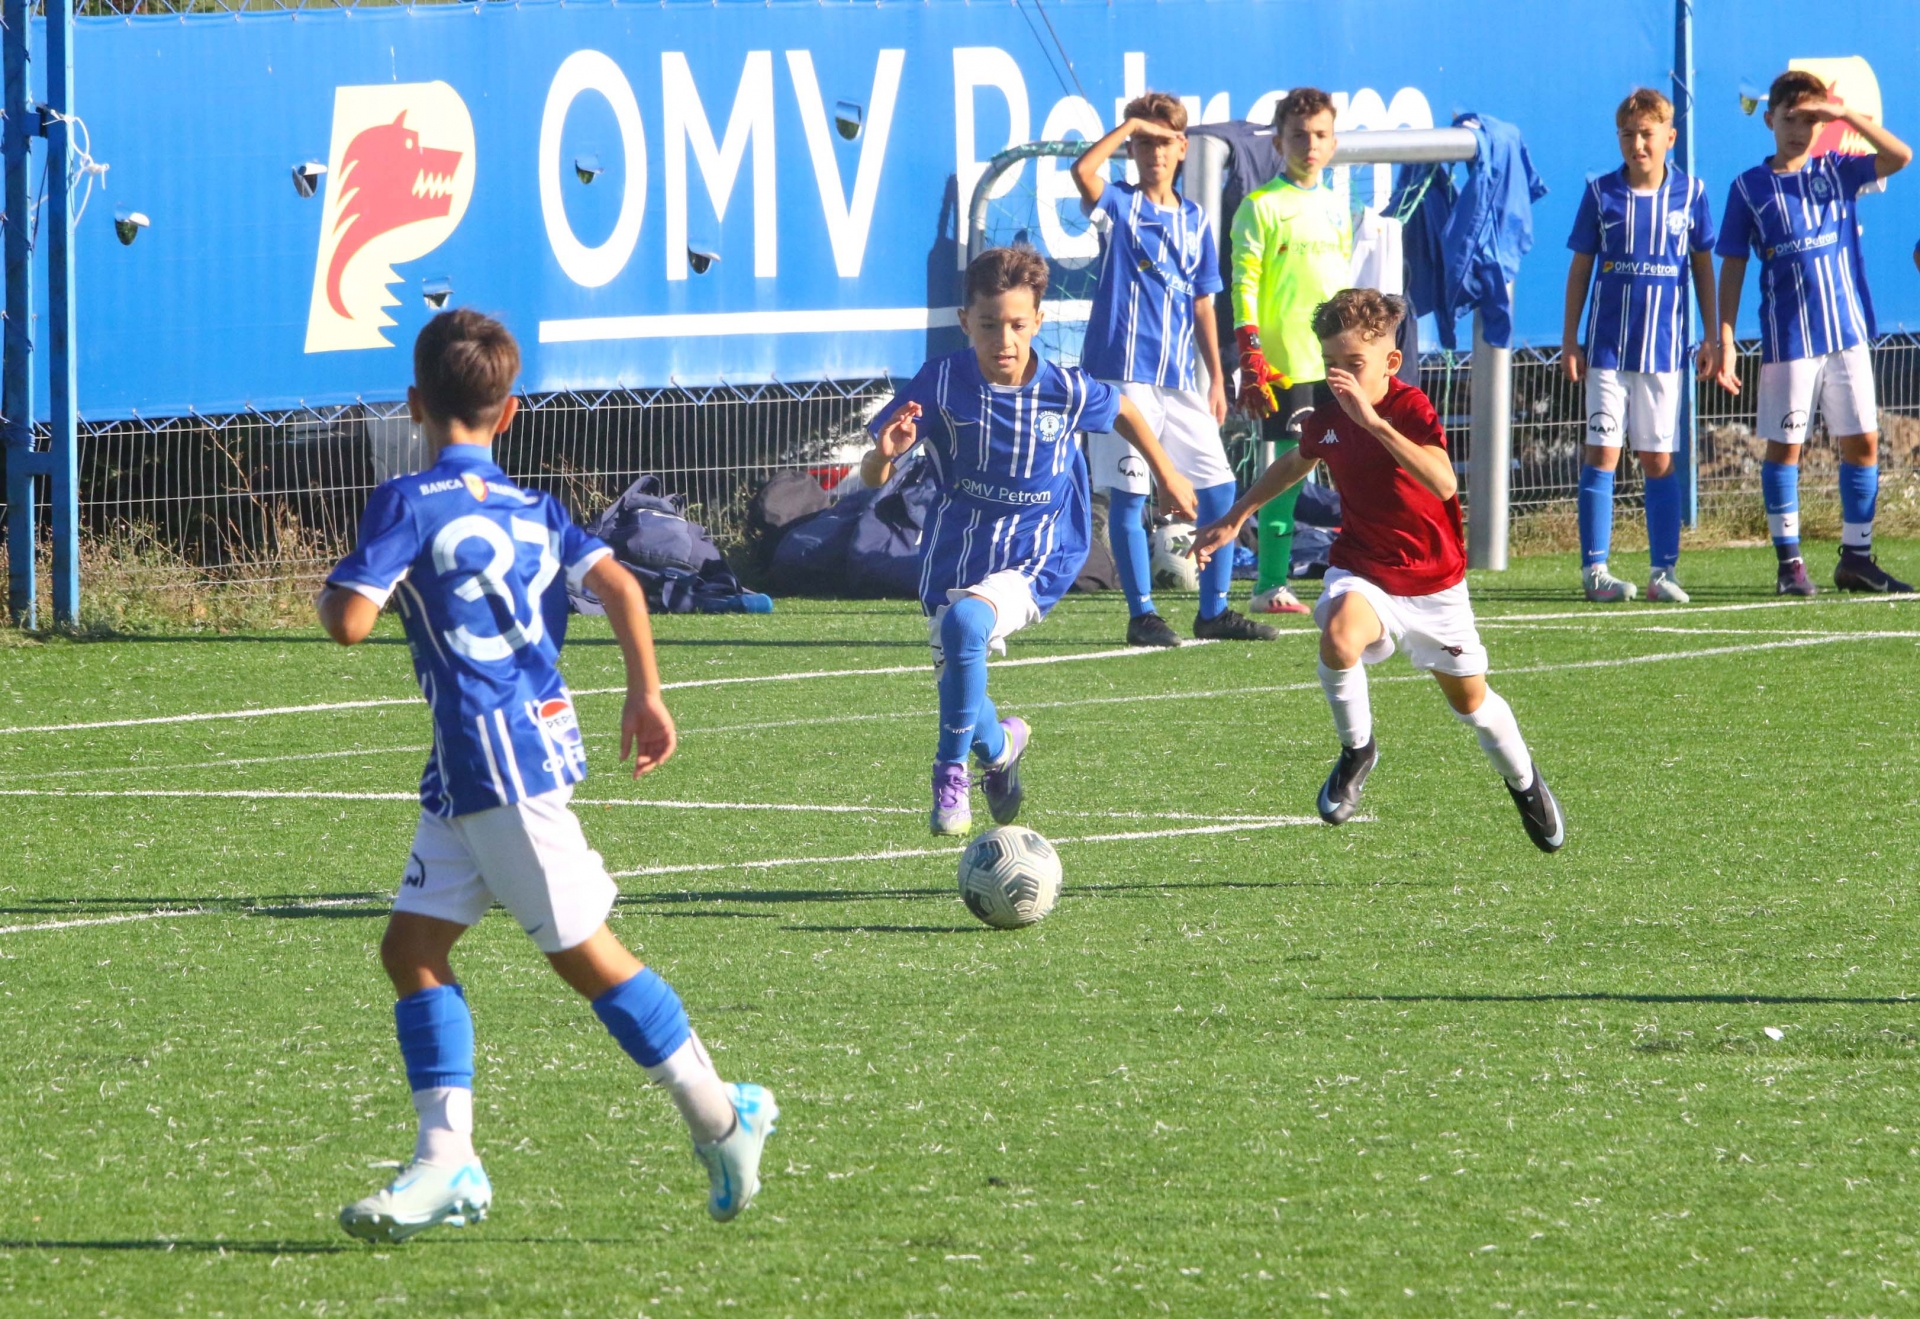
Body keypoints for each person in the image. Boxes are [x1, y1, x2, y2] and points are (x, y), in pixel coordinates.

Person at [316, 310, 776, 1242]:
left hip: (496, 761)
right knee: (411, 949)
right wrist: (646, 693)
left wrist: (347, 583)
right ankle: (447, 1159)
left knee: (586, 957)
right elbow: (622, 585)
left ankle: (721, 1114)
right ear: (511, 410)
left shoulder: (407, 500)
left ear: (414, 404)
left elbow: (348, 622)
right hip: (490, 758)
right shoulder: (537, 507)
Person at [1190, 289, 1565, 852]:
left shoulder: (1410, 409)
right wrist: (1233, 516)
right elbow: (1296, 461)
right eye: (1331, 363)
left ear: (1390, 362)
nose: (1340, 376)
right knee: (1339, 637)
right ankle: (1358, 750)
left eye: (1354, 363)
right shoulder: (1327, 417)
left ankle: (1524, 781)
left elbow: (1444, 483)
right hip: (1363, 568)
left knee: (1473, 707)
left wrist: (1374, 425)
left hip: (1434, 584)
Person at [862, 246, 1197, 836]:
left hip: (1039, 552)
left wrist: (1167, 473)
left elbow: (1123, 408)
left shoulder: (1063, 389)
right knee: (964, 684)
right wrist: (884, 457)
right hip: (954, 554)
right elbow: (874, 475)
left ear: (1039, 321)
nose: (1005, 340)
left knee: (967, 625)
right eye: (989, 325)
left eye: (1018, 325)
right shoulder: (941, 380)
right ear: (965, 322)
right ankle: (1000, 748)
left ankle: (948, 775)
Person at [1070, 91, 1275, 646]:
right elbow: (1082, 171)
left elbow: (1204, 303)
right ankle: (1142, 615)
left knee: (1220, 489)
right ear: (1132, 149)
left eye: (1164, 142)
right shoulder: (1119, 204)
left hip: (1181, 379)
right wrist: (1129, 125)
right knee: (1131, 496)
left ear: (1183, 148)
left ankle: (1214, 610)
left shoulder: (1195, 219)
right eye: (1144, 142)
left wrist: (1217, 379)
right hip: (1121, 375)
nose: (1154, 152)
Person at [1713, 68, 1913, 595]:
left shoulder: (1837, 170)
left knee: (1863, 443)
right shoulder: (1748, 188)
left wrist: (1844, 114)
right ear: (1770, 121)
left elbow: (1901, 156)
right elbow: (1731, 265)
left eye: (1810, 120)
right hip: (1790, 341)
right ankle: (1790, 565)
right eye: (1790, 119)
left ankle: (1857, 560)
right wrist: (1726, 340)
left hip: (1847, 334)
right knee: (1785, 448)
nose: (1800, 130)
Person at [1562, 87, 1719, 604]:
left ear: (1670, 137)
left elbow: (1702, 267)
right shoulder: (1600, 193)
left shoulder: (1691, 194)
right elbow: (1581, 267)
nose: (1637, 144)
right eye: (1627, 135)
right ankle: (1595, 570)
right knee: (1603, 452)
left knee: (1657, 460)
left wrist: (1712, 336)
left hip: (1664, 353)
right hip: (1607, 351)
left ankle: (1662, 572)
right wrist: (1570, 339)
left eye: (1647, 134)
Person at [1230, 86, 1351, 615]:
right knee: (1285, 475)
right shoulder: (1260, 207)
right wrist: (1250, 352)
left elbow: (1342, 287)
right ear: (1279, 143)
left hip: (1336, 364)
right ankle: (1269, 586)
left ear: (1334, 142)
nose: (1311, 144)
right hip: (1285, 367)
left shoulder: (1337, 208)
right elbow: (1243, 283)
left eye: (1321, 134)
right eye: (1299, 135)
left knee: (1352, 468)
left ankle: (1357, 572)